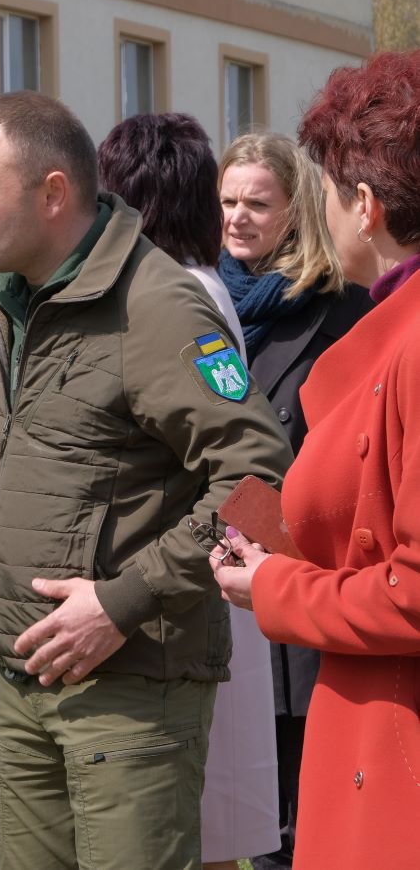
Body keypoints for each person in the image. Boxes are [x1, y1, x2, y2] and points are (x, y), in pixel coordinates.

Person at [0, 91, 292, 870]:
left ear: (54, 193)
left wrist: (121, 602)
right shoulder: (18, 299)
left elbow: (263, 482)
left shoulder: (159, 307)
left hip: (129, 698)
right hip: (25, 681)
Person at [212, 49, 420, 870]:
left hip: (393, 743)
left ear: (363, 205)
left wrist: (272, 584)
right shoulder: (388, 324)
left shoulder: (400, 338)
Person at [97, 113, 280, 870]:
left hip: (194, 572)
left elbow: (246, 452)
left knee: (202, 815)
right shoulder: (180, 286)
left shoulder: (185, 295)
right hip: (200, 565)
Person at [216, 132, 370, 870]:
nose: (238, 218)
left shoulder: (343, 310)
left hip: (302, 579)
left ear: (297, 208)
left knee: (294, 829)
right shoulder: (199, 303)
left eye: (258, 203)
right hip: (216, 580)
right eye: (227, 201)